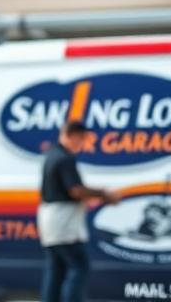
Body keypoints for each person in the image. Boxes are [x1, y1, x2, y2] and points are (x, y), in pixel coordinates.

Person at [37, 121, 119, 302]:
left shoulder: (51, 155)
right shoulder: (65, 158)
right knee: (79, 267)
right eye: (81, 138)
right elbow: (75, 190)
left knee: (56, 270)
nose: (81, 143)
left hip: (49, 220)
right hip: (64, 222)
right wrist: (104, 194)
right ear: (72, 135)